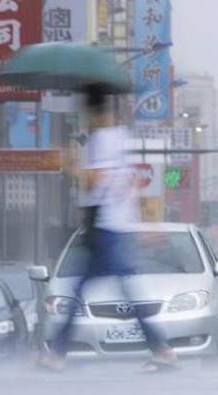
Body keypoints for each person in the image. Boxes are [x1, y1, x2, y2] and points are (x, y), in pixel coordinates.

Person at [37, 105, 178, 373]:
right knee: (94, 290)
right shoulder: (116, 141)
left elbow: (96, 180)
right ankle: (57, 353)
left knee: (106, 291)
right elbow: (123, 185)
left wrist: (70, 164)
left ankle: (57, 354)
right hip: (109, 230)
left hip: (108, 232)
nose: (89, 120)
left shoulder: (105, 140)